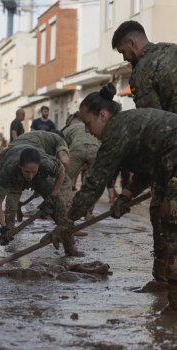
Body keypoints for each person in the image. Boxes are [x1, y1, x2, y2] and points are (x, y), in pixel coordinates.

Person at [46, 83, 177, 311]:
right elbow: (149, 167)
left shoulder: (116, 131)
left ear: (103, 115)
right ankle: (163, 284)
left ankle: (174, 300)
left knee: (172, 218)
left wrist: (66, 223)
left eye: (88, 123)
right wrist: (126, 195)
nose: (87, 131)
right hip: (168, 163)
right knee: (159, 213)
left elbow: (94, 185)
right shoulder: (125, 124)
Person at [0, 144, 82, 259]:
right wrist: (4, 226)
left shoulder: (47, 164)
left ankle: (70, 247)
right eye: (27, 172)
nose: (30, 176)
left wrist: (52, 197)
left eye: (33, 171)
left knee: (59, 205)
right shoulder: (9, 170)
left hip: (40, 178)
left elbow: (61, 173)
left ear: (39, 166)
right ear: (20, 166)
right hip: (8, 164)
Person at [6, 130, 72, 228]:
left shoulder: (38, 137)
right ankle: (67, 228)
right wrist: (53, 195)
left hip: (12, 154)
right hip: (29, 156)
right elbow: (65, 162)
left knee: (13, 196)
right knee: (57, 194)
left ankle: (7, 230)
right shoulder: (59, 140)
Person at [112, 20, 177, 112]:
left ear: (132, 43)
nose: (124, 58)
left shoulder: (141, 71)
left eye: (123, 52)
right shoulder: (172, 48)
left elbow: (151, 118)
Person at [62, 112, 100, 219]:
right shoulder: (91, 126)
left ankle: (66, 212)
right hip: (95, 150)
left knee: (64, 181)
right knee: (94, 183)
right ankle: (88, 213)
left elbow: (62, 148)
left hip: (76, 150)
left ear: (70, 121)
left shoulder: (69, 128)